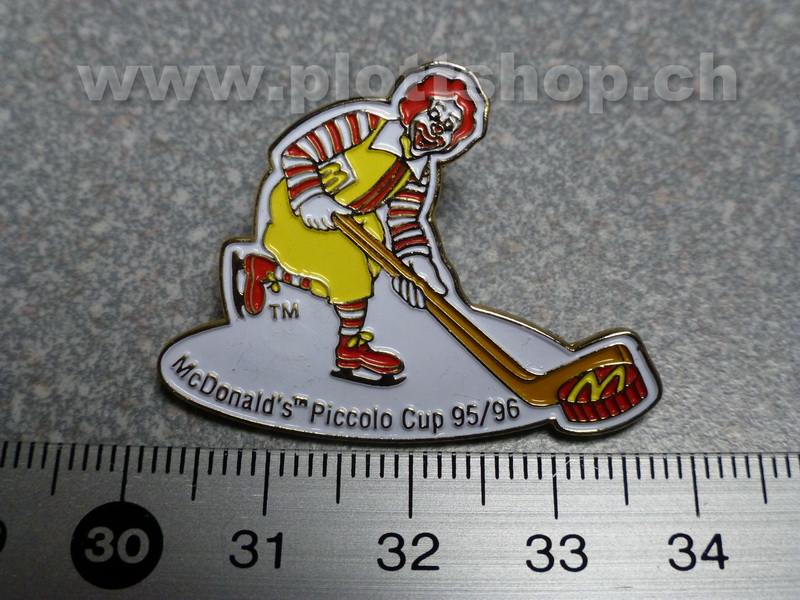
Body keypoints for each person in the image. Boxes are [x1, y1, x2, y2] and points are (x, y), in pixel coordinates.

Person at [236, 64, 488, 385]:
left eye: (449, 127)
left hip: (351, 218)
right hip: (297, 202)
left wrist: (417, 265)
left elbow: (404, 221)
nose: (437, 128)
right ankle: (350, 350)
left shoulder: (419, 174)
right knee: (350, 272)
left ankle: (266, 270)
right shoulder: (364, 124)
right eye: (434, 114)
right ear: (414, 108)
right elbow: (297, 152)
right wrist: (311, 196)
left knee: (365, 268)